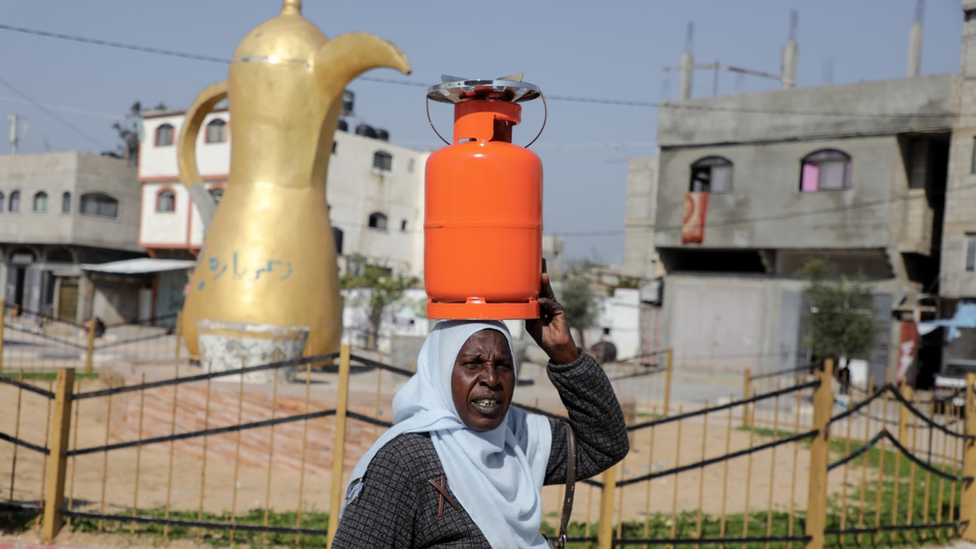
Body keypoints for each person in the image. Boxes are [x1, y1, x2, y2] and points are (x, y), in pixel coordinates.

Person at [332, 273, 630, 548]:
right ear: (440, 372)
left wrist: (565, 353)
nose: (491, 379)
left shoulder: (517, 440)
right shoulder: (405, 462)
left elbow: (605, 443)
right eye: (473, 364)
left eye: (503, 366)